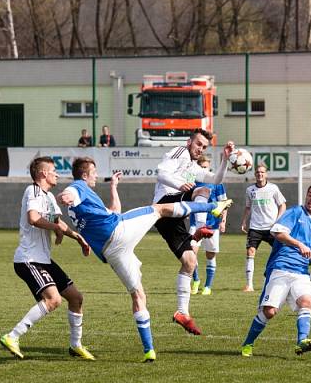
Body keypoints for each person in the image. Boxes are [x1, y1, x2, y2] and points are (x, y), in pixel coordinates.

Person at [57, 156, 232, 362]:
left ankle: (149, 350)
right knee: (159, 209)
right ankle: (212, 207)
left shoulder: (85, 203)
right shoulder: (78, 186)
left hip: (111, 251)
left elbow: (114, 211)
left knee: (138, 295)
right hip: (118, 231)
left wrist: (114, 187)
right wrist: (64, 195)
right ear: (85, 175)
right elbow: (69, 193)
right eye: (94, 172)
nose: (96, 175)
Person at [0, 157, 94, 361]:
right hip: (28, 259)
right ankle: (12, 336)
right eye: (53, 170)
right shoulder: (32, 191)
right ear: (43, 174)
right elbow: (33, 218)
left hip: (44, 260)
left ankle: (75, 345)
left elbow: (58, 222)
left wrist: (78, 238)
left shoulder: (50, 197)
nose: (57, 174)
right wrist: (55, 228)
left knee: (76, 297)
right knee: (53, 300)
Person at [152, 128, 234, 335]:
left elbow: (216, 179)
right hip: (165, 202)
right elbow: (161, 173)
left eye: (204, 147)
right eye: (198, 144)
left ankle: (182, 313)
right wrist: (180, 185)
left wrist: (225, 159)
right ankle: (204, 218)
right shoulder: (180, 152)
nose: (200, 149)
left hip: (173, 218)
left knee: (190, 262)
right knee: (202, 191)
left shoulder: (193, 166)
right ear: (189, 142)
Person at [239, 184, 311, 357]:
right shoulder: (295, 213)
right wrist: (299, 243)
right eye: (310, 195)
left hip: (301, 273)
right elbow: (277, 232)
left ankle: (302, 341)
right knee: (269, 312)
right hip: (280, 268)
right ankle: (248, 343)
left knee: (307, 302)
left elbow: (306, 257)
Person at [240, 162, 286, 292]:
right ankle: (249, 285)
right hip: (255, 227)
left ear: (266, 174)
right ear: (255, 174)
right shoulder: (250, 190)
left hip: (272, 227)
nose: (260, 174)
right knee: (250, 252)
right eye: (257, 172)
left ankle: (276, 278)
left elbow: (282, 205)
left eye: (262, 172)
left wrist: (278, 220)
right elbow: (248, 207)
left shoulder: (273, 188)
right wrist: (244, 221)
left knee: (280, 252)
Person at [189, 155, 228, 296]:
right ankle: (196, 280)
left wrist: (223, 220)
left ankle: (207, 286)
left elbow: (224, 203)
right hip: (195, 223)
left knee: (210, 255)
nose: (205, 169)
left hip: (212, 224)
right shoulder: (193, 182)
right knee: (190, 253)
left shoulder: (217, 182)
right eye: (202, 167)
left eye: (207, 167)